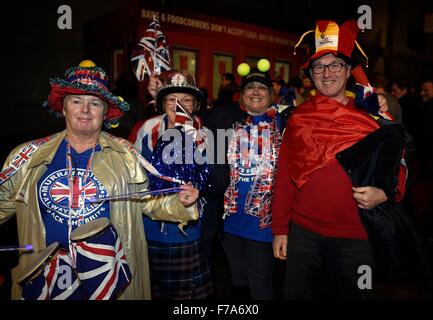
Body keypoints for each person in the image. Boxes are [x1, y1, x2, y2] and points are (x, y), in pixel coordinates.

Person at [0, 60, 200, 300]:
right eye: (76, 101)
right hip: (44, 278)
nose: (85, 110)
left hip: (107, 278)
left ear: (105, 112)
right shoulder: (27, 156)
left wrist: (182, 203)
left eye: (94, 103)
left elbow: (147, 201)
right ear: (64, 108)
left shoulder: (125, 154)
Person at [272, 20, 409, 299]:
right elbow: (285, 175)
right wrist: (280, 229)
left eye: (335, 65)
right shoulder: (297, 118)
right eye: (319, 67)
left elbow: (400, 166)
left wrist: (385, 193)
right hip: (303, 235)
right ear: (310, 73)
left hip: (356, 237)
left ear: (348, 71)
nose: (327, 72)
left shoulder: (373, 118)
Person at [129, 70, 213, 300]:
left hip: (187, 233)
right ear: (162, 103)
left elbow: (214, 181)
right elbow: (130, 173)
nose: (178, 105)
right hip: (147, 229)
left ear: (195, 105)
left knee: (187, 298)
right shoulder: (144, 130)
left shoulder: (207, 135)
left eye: (186, 100)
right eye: (171, 99)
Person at [217, 63, 287, 300]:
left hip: (264, 225)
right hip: (231, 222)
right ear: (242, 95)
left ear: (271, 95)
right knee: (236, 279)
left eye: (262, 88)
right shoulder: (227, 122)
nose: (256, 92)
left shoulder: (285, 123)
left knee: (261, 283)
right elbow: (190, 116)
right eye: (250, 87)